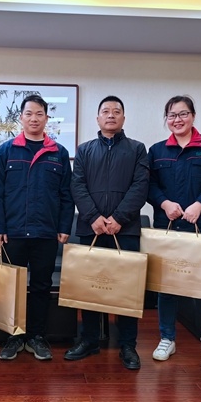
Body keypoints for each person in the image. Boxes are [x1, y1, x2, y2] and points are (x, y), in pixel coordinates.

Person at [146, 95, 201, 374]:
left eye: (183, 114)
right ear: (166, 120)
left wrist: (200, 203)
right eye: (172, 115)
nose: (177, 120)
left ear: (193, 116)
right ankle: (167, 339)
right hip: (168, 229)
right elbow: (148, 185)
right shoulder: (157, 150)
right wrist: (164, 203)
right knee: (166, 288)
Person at [0, 94, 74, 361]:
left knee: (41, 286)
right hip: (12, 232)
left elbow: (66, 195)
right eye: (29, 114)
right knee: (12, 287)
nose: (34, 118)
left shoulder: (59, 153)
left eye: (39, 114)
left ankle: (36, 336)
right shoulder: (7, 150)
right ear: (21, 118)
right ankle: (14, 336)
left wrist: (64, 226)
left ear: (47, 118)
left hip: (46, 232)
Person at [65, 95, 149, 370]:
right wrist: (94, 217)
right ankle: (89, 339)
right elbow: (77, 186)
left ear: (123, 118)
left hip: (125, 229)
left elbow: (140, 186)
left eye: (116, 111)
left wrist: (118, 218)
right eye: (106, 111)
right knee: (90, 287)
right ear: (98, 118)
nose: (111, 115)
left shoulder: (137, 149)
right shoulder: (85, 150)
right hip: (91, 229)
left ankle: (128, 345)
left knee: (126, 288)